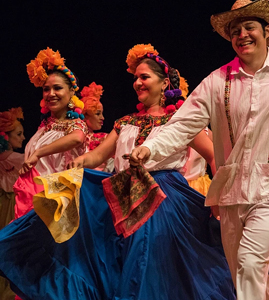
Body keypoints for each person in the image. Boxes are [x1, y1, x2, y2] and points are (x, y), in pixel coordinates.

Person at [130, 0, 269, 300]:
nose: (242, 35)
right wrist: (150, 149)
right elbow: (182, 124)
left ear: (266, 31)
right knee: (244, 273)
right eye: (235, 30)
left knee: (250, 263)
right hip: (232, 193)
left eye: (248, 27)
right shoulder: (217, 80)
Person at [0, 44, 235, 300]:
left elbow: (213, 155)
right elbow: (98, 155)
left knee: (148, 261)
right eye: (135, 78)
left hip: (165, 197)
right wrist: (80, 163)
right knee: (119, 261)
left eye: (144, 77)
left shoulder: (178, 121)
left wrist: (217, 199)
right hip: (124, 195)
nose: (137, 83)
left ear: (164, 82)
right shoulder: (125, 123)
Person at [14, 48, 88, 217]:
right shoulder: (45, 125)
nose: (51, 94)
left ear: (71, 92)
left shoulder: (75, 124)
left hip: (59, 202)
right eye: (46, 89)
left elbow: (77, 138)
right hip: (34, 200)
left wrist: (39, 153)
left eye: (57, 88)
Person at [0, 107, 25, 300]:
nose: (23, 138)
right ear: (5, 137)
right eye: (18, 134)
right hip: (8, 207)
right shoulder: (16, 160)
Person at [80, 81, 113, 172]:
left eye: (101, 114)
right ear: (86, 115)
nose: (102, 118)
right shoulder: (103, 138)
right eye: (97, 114)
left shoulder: (101, 138)